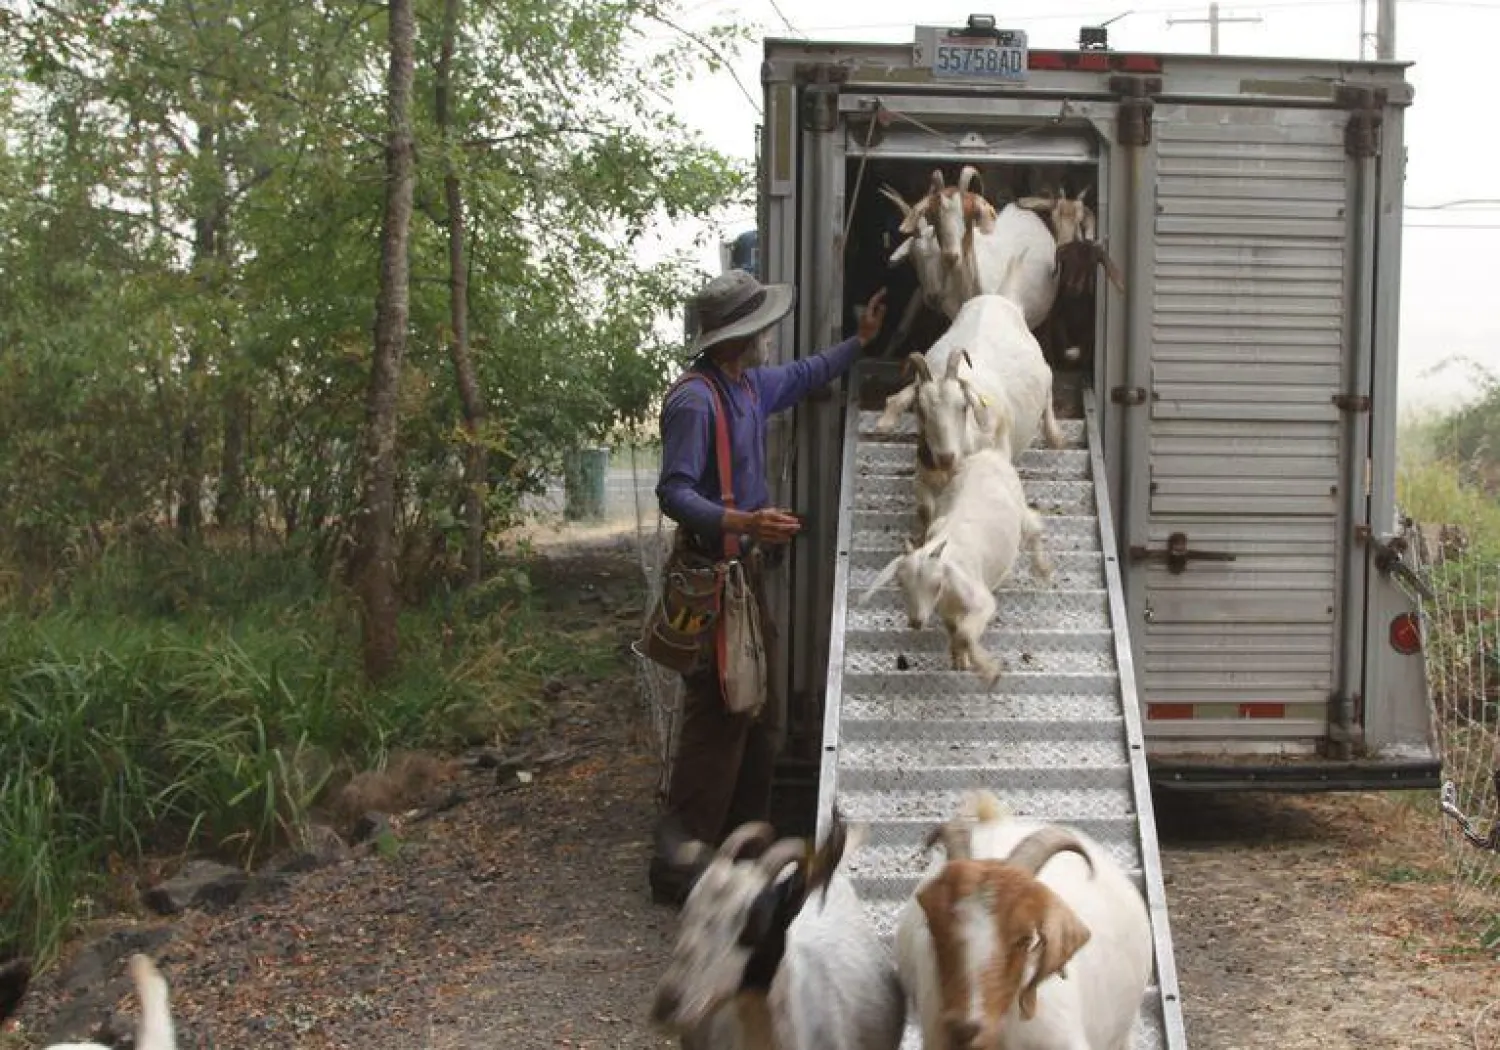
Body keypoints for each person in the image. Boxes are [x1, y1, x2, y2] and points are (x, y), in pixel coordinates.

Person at [649, 268, 888, 906]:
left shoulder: (750, 386)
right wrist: (744, 522)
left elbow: (807, 373)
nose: (768, 339)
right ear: (737, 338)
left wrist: (860, 342)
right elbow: (674, 493)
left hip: (741, 579)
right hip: (710, 580)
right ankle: (677, 866)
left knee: (757, 717)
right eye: (761, 330)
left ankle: (741, 851)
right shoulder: (695, 401)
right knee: (718, 717)